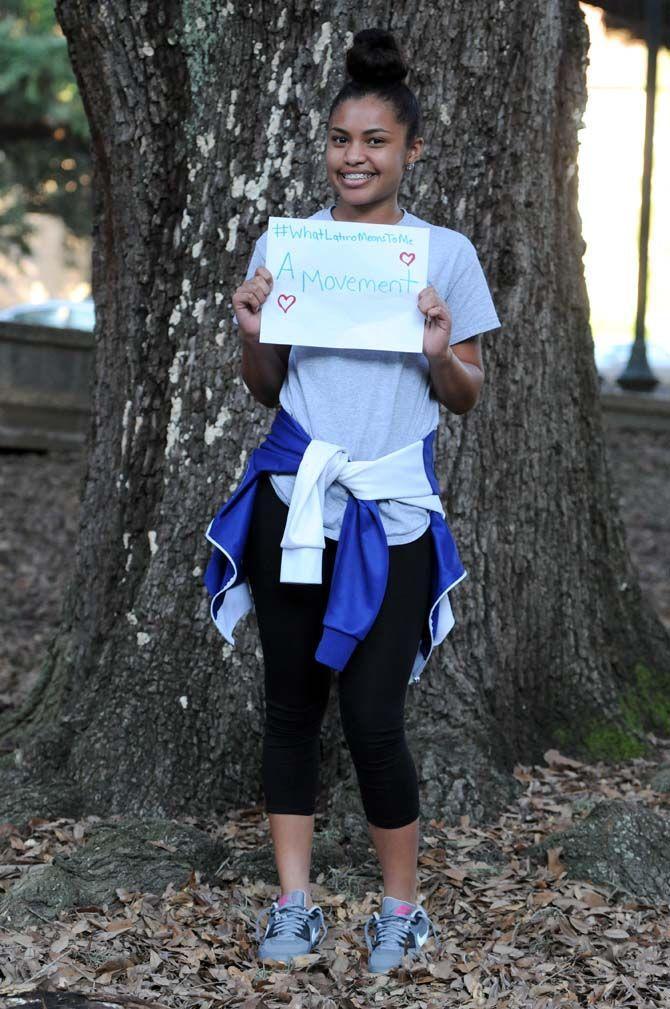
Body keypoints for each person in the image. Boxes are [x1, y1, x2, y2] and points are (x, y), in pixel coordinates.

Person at [206, 27, 501, 975]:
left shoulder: (442, 254)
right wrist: (253, 329)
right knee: (289, 706)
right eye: (341, 139)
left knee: (375, 715)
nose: (354, 157)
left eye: (376, 142)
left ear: (411, 151)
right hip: (294, 505)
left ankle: (400, 908)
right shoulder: (290, 244)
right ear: (324, 146)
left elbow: (465, 392)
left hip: (392, 511)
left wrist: (436, 349)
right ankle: (293, 905)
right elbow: (267, 383)